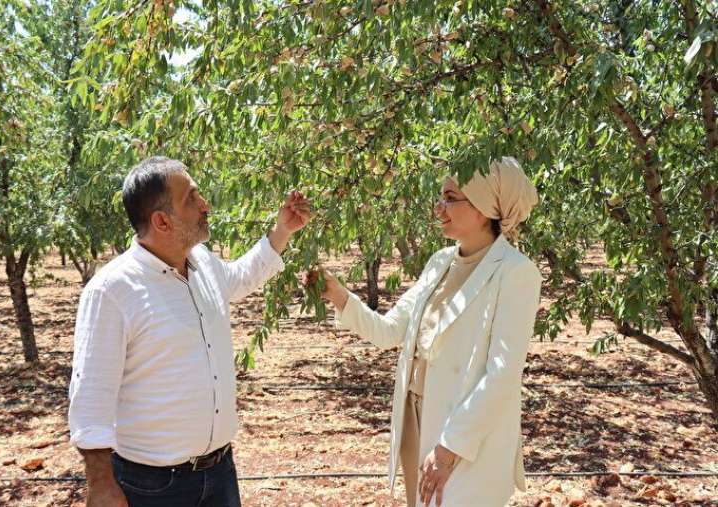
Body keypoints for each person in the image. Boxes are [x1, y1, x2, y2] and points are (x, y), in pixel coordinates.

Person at [68, 156, 311, 507]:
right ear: (162, 221)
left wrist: (282, 231)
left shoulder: (203, 263)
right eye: (192, 198)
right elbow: (91, 394)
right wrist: (101, 483)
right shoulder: (113, 291)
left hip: (220, 473)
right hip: (152, 487)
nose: (204, 205)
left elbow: (242, 276)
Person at [310, 157, 541, 507]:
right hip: (417, 422)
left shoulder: (515, 273)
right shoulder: (439, 263)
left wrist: (450, 448)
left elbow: (502, 375)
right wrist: (340, 296)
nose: (439, 208)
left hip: (465, 438)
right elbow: (390, 331)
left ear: (483, 207)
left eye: (450, 197)